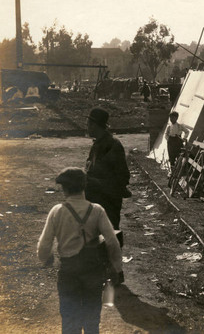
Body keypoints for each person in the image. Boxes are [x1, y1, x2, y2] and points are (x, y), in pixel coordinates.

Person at [37, 167, 123, 334]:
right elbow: (112, 242)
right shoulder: (97, 210)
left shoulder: (57, 211)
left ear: (65, 188)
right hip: (93, 271)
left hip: (68, 271)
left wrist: (46, 259)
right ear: (84, 186)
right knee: (92, 319)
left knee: (69, 319)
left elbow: (44, 244)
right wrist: (116, 268)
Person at [85, 107, 131, 240]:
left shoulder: (112, 145)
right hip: (96, 200)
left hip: (108, 202)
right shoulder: (98, 144)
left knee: (110, 240)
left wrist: (93, 182)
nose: (87, 128)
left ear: (95, 125)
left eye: (88, 125)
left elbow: (122, 176)